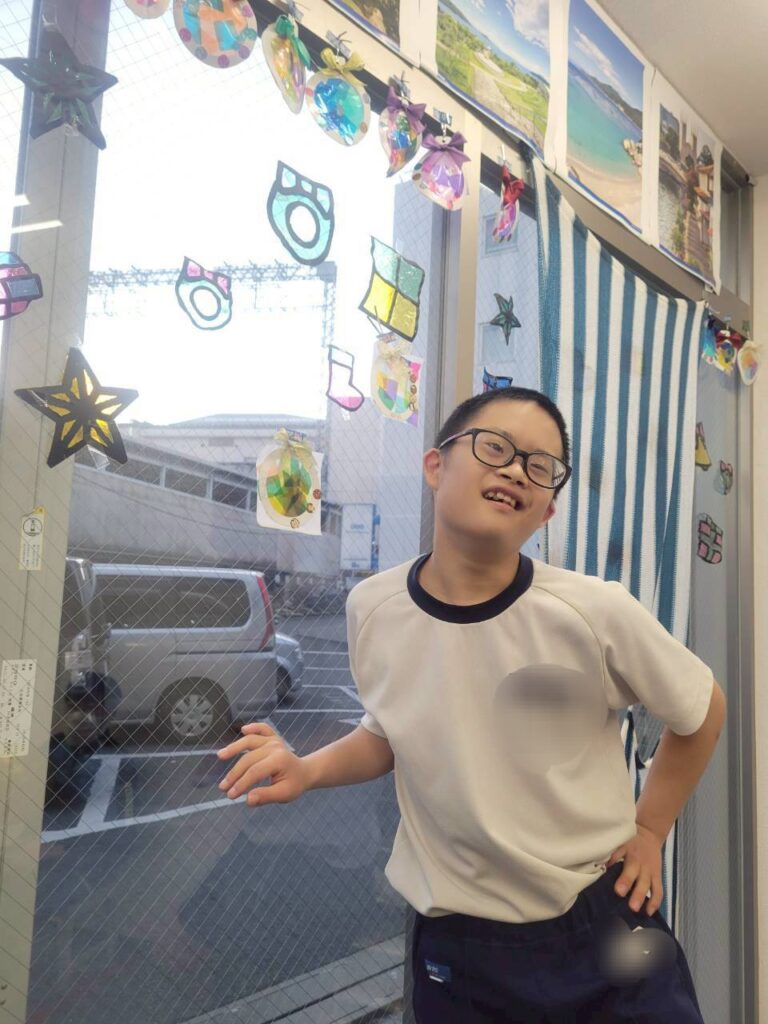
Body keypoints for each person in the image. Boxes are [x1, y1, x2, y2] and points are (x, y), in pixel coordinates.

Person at [217, 385, 725, 1023]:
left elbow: (702, 709)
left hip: (601, 921)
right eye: (495, 448)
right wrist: (308, 769)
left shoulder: (592, 610)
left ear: (546, 510)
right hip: (460, 947)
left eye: (540, 465)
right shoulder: (373, 607)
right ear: (435, 466)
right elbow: (391, 730)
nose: (516, 469)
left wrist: (650, 829)